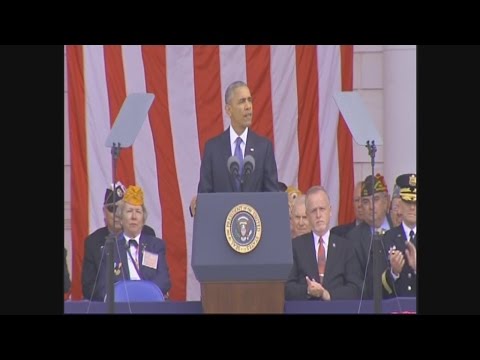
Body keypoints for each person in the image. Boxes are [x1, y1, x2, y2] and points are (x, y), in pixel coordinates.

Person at [197, 81, 279, 193]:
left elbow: (272, 195)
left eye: (249, 100)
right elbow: (205, 195)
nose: (248, 106)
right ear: (228, 110)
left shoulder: (263, 148)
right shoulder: (213, 149)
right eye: (242, 101)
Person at [93, 185, 171, 301]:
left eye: (138, 212)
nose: (134, 217)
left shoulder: (156, 246)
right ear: (121, 218)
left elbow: (164, 280)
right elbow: (103, 287)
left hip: (150, 305)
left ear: (143, 219)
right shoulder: (110, 249)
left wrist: (142, 295)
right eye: (129, 211)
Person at [82, 182, 156, 300]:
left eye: (121, 208)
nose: (117, 214)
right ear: (104, 212)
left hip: (144, 300)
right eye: (112, 208)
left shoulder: (146, 234)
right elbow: (89, 287)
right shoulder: (93, 242)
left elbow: (155, 273)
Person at [285, 186, 361, 301]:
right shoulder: (295, 247)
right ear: (308, 215)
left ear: (330, 211)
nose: (318, 215)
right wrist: (308, 290)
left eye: (322, 209)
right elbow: (287, 288)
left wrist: (327, 294)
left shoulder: (346, 247)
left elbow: (356, 288)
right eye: (313, 210)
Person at [348, 173, 393, 299]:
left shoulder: (399, 230)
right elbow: (356, 283)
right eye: (366, 202)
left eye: (376, 200)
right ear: (361, 206)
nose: (371, 207)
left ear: (387, 201)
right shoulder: (353, 239)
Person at [382, 173, 417, 297]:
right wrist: (393, 272)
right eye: (408, 202)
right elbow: (375, 286)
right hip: (396, 307)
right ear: (399, 206)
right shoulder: (387, 238)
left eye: (416, 203)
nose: (412, 207)